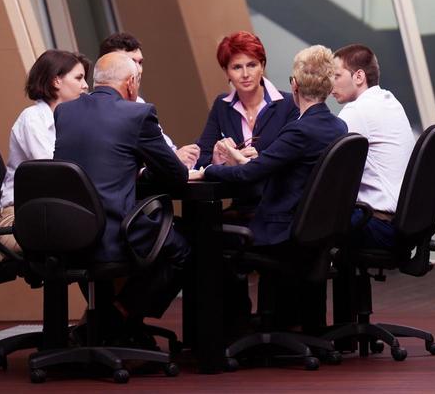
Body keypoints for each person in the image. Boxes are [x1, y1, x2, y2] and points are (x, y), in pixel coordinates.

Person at [191, 45, 347, 331]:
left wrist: (209, 170)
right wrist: (239, 158)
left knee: (205, 236)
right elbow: (269, 163)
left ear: (294, 85)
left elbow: (251, 173)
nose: (245, 73)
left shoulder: (299, 130)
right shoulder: (339, 128)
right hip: (317, 227)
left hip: (281, 229)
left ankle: (222, 332)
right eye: (237, 67)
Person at [53, 51, 190, 338]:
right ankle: (118, 315)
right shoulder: (137, 114)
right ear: (131, 83)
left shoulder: (65, 112)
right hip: (113, 232)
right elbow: (176, 177)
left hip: (68, 232)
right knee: (182, 248)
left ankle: (116, 326)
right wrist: (144, 172)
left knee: (151, 238)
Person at [0, 49, 92, 254]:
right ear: (56, 81)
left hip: (52, 210)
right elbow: (56, 174)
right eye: (79, 78)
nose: (86, 85)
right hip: (19, 218)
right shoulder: (33, 119)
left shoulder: (71, 121)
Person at [332, 43, 415, 249]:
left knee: (302, 221)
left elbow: (324, 159)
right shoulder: (391, 102)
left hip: (378, 225)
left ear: (358, 77)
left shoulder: (357, 110)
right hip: (403, 224)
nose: (330, 85)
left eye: (336, 76)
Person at [196, 31, 298, 169]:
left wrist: (257, 162)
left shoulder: (289, 104)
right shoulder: (221, 105)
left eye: (251, 65)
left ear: (262, 66)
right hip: (233, 188)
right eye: (237, 67)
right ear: (226, 71)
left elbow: (295, 158)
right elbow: (201, 157)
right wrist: (220, 162)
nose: (245, 74)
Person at [100, 32, 200, 168]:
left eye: (140, 62)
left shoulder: (140, 105)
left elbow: (168, 151)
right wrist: (171, 160)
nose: (138, 70)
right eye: (129, 62)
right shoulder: (94, 109)